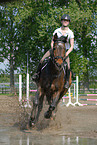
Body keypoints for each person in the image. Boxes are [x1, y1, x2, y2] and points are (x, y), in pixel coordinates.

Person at [32, 14, 74, 89]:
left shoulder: (70, 33)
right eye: (64, 20)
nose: (65, 22)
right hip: (54, 50)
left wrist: (66, 53)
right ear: (61, 21)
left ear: (69, 22)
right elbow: (52, 42)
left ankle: (67, 82)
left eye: (67, 21)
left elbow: (72, 46)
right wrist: (54, 50)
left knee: (68, 66)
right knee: (42, 59)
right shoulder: (57, 31)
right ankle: (37, 75)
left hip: (64, 53)